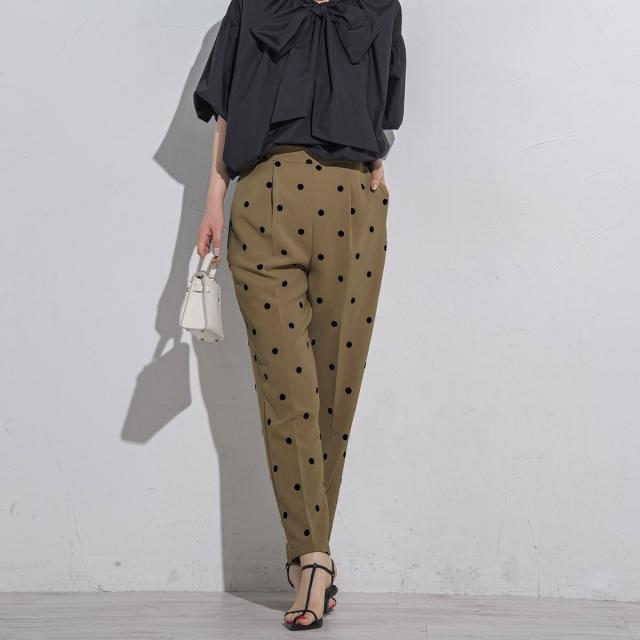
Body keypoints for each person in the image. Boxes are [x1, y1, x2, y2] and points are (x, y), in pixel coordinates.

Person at [192, 0, 406, 630]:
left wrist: (376, 164)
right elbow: (227, 109)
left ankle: (310, 560)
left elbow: (384, 113)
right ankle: (314, 559)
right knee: (287, 390)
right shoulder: (253, 6)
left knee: (335, 394)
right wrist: (213, 200)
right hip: (265, 200)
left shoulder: (380, 8)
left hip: (353, 205)